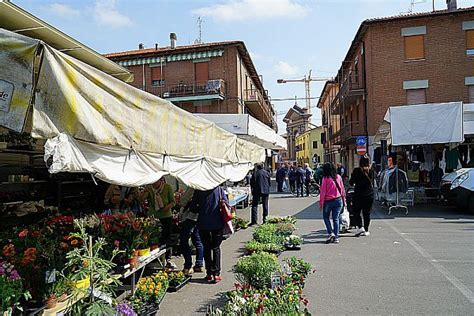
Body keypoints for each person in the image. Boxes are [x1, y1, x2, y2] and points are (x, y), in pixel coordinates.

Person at [190, 186, 228, 283]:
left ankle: (209, 273)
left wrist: (202, 209)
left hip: (203, 223)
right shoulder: (219, 189)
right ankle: (216, 274)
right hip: (217, 222)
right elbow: (226, 203)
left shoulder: (199, 190)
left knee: (206, 248)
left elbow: (193, 208)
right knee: (216, 248)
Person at [140, 177, 176, 268]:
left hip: (166, 216)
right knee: (153, 238)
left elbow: (173, 202)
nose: (154, 183)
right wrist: (145, 192)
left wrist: (167, 207)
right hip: (153, 216)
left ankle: (167, 258)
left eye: (156, 181)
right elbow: (141, 200)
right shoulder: (149, 189)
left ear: (160, 180)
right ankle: (154, 259)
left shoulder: (167, 187)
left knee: (166, 238)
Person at [178, 187, 204, 276]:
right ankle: (199, 264)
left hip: (190, 216)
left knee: (183, 240)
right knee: (197, 239)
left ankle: (188, 266)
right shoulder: (205, 186)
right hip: (199, 216)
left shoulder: (192, 186)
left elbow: (183, 201)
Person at [319, 163, 346, 243]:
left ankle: (331, 233)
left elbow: (323, 192)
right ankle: (336, 237)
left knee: (326, 217)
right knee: (336, 218)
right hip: (338, 200)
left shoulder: (325, 178)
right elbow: (342, 190)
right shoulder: (338, 177)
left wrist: (321, 203)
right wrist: (344, 200)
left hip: (328, 201)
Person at [349, 155, 374, 237]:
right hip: (369, 194)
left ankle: (360, 226)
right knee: (367, 213)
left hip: (358, 195)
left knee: (356, 211)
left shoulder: (356, 171)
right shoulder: (371, 171)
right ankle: (366, 230)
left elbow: (351, 182)